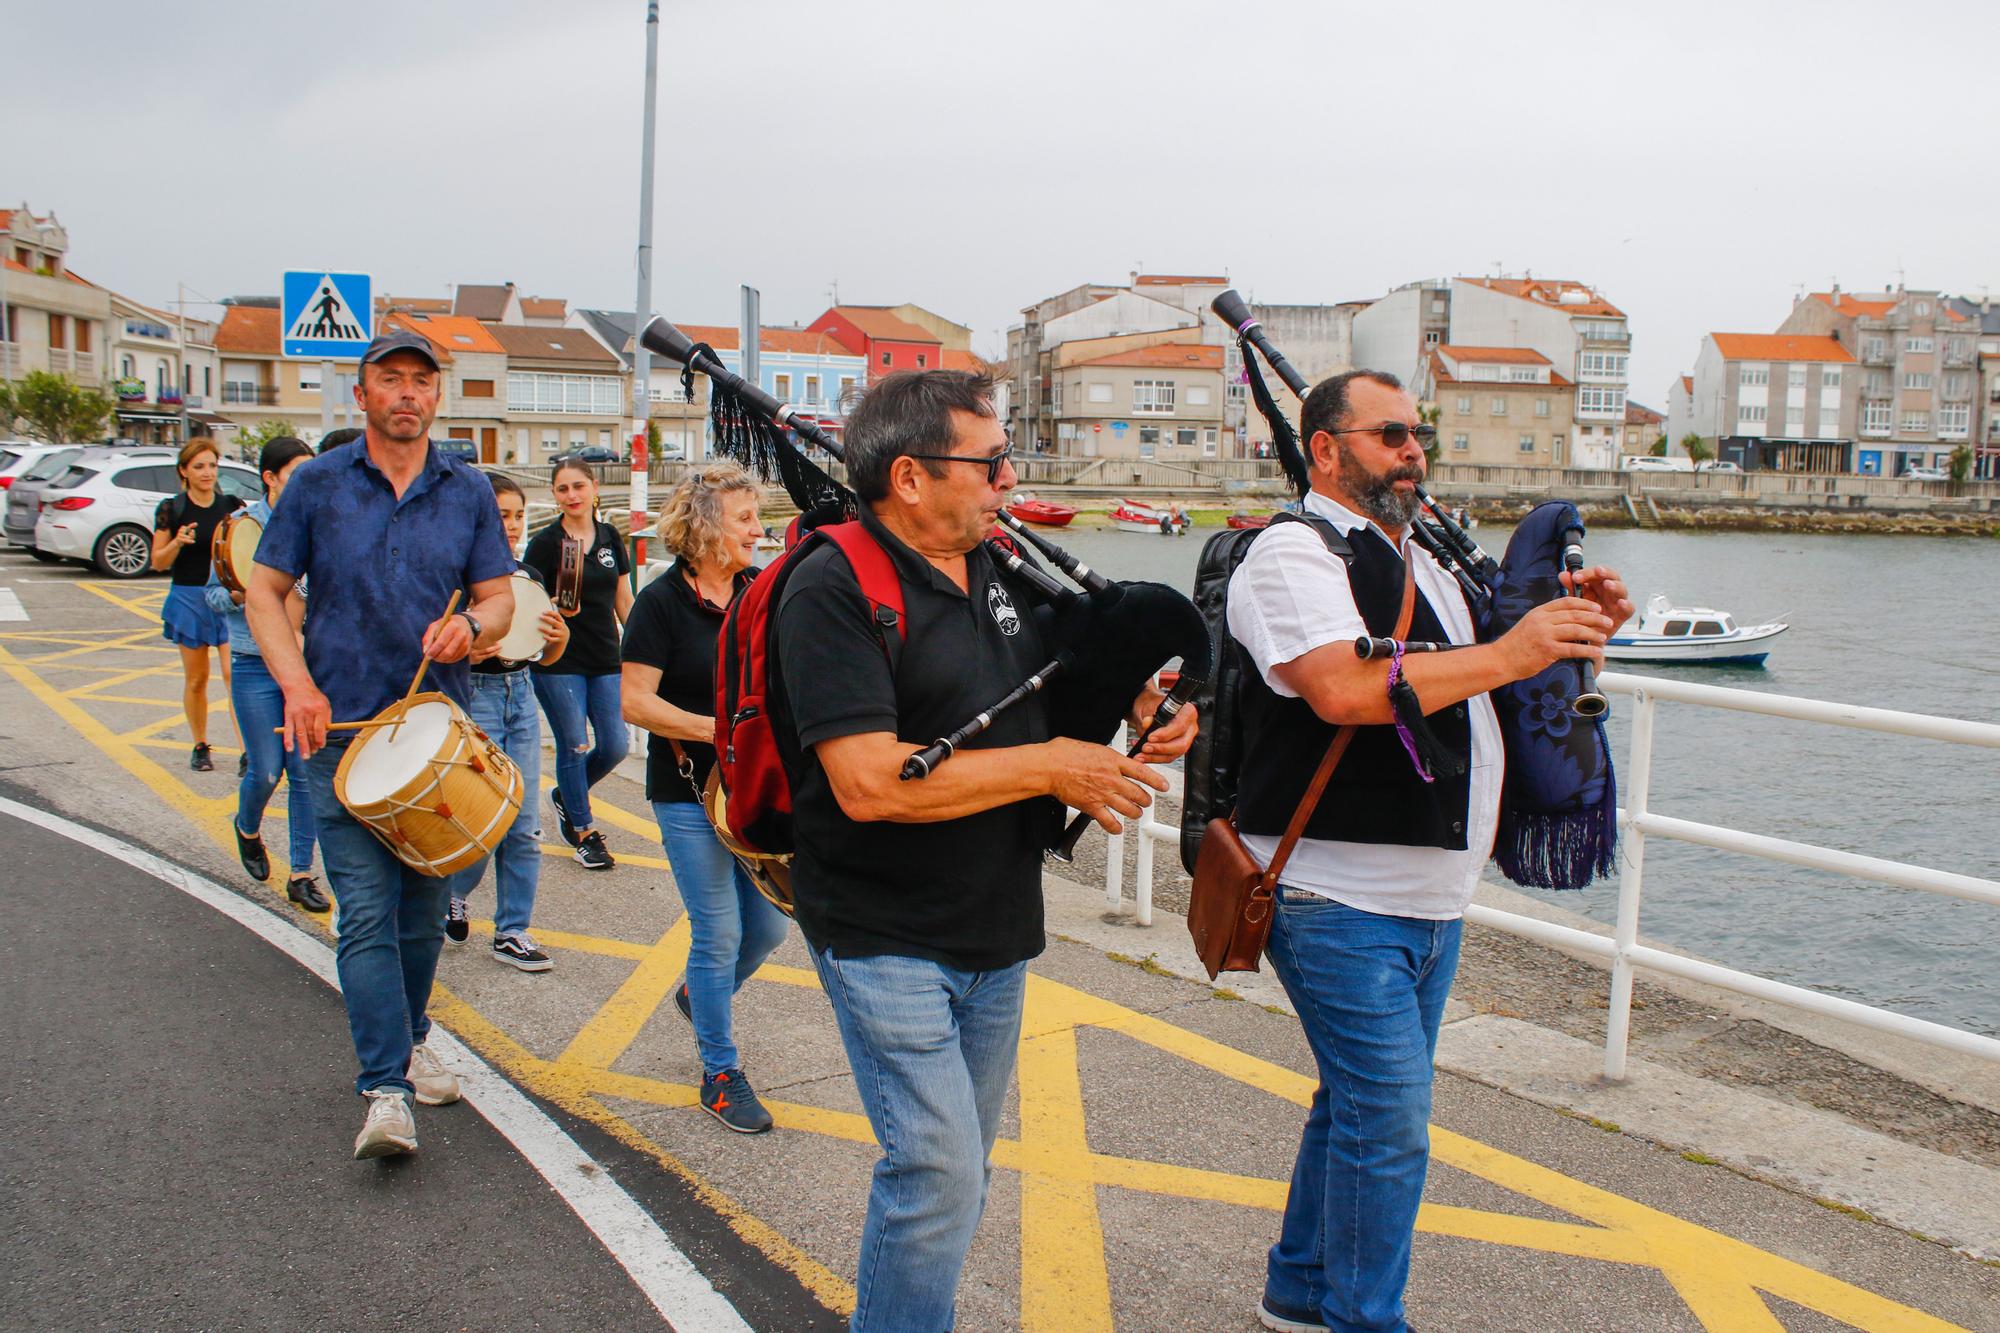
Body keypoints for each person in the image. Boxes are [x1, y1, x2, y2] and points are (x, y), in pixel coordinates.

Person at [771, 370, 1196, 1330]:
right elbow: (869, 780)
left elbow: (1065, 681)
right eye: (993, 460)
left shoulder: (1000, 571)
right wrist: (1051, 765)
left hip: (997, 928)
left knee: (962, 1167)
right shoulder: (832, 585)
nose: (1010, 478)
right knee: (937, 1171)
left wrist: (1143, 705)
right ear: (911, 477)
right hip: (881, 927)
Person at [1226, 371, 1631, 1333]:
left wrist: (1577, 637)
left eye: (1421, 433)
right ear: (1324, 448)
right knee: (1392, 1121)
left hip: (1430, 895)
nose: (1415, 450)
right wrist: (1512, 650)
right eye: (1393, 433)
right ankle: (1366, 1317)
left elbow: (1483, 686)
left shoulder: (1435, 565)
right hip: (1331, 891)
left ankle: (1300, 1287)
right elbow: (1339, 686)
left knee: (1356, 1103)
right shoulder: (1291, 553)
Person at [246, 329, 516, 1161]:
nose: (407, 393)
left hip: (434, 735)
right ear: (361, 393)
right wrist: (296, 683)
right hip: (336, 737)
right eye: (389, 379)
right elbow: (265, 588)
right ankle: (385, 1089)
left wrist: (471, 624)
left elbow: (501, 597)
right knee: (365, 914)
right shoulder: (318, 485)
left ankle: (412, 1030)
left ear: (439, 397)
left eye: (420, 382)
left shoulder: (467, 490)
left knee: (422, 918)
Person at [620, 461, 786, 1132]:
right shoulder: (660, 604)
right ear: (707, 526)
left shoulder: (762, 591)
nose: (757, 529)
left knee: (769, 926)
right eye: (745, 518)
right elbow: (634, 702)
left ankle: (696, 993)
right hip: (688, 794)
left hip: (753, 789)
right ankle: (720, 1072)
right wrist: (716, 730)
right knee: (717, 932)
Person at [449, 473, 569, 971]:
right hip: (472, 698)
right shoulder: (459, 580)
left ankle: (512, 931)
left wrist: (559, 635)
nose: (514, 525)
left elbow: (545, 655)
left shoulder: (529, 578)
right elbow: (436, 651)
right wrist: (470, 652)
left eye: (519, 514)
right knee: (478, 820)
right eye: (502, 515)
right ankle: (448, 898)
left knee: (523, 825)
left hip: (520, 696)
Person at [204, 435, 323, 911]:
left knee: (304, 773)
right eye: (297, 474)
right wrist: (247, 595)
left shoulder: (320, 525)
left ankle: (301, 873)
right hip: (255, 662)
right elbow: (212, 596)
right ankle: (247, 826)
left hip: (304, 663)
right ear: (270, 478)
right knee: (267, 767)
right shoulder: (240, 526)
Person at [524, 455, 632, 871]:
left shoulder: (609, 538)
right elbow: (526, 599)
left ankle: (566, 797)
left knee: (616, 745)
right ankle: (584, 832)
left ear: (594, 489)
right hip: (559, 657)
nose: (572, 495)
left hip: (605, 655)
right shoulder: (546, 543)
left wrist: (641, 649)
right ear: (554, 495)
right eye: (563, 488)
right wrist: (550, 604)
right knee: (573, 744)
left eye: (578, 486)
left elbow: (624, 599)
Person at [154, 435, 243, 771]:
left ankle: (246, 750)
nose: (208, 472)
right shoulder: (172, 509)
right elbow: (158, 561)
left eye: (212, 465)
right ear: (184, 471)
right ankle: (200, 744)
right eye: (199, 466)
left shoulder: (231, 506)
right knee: (196, 679)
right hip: (188, 597)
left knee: (233, 674)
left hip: (224, 597)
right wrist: (178, 541)